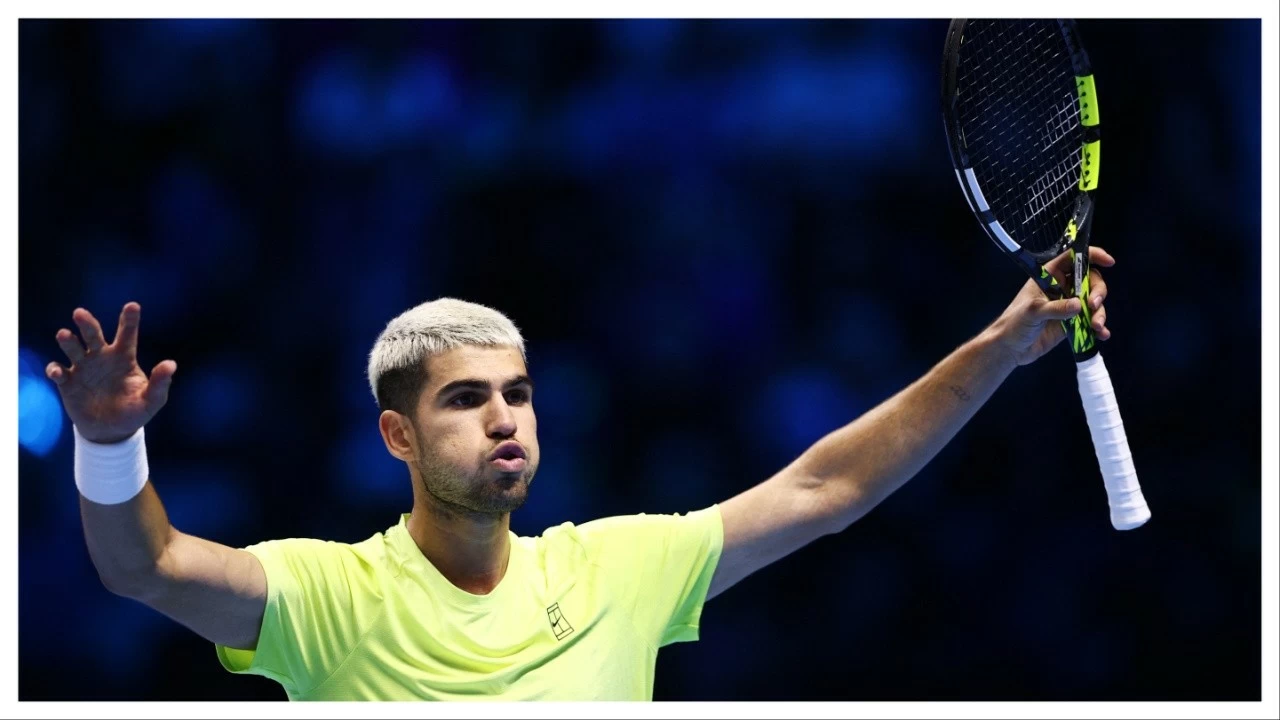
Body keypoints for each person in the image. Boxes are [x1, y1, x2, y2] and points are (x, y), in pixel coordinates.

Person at [47, 247, 1117, 701]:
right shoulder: (326, 598)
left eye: (516, 393)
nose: (504, 418)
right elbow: (146, 569)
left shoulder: (614, 569)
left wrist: (995, 350)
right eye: (465, 401)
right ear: (396, 438)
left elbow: (822, 490)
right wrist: (108, 442)